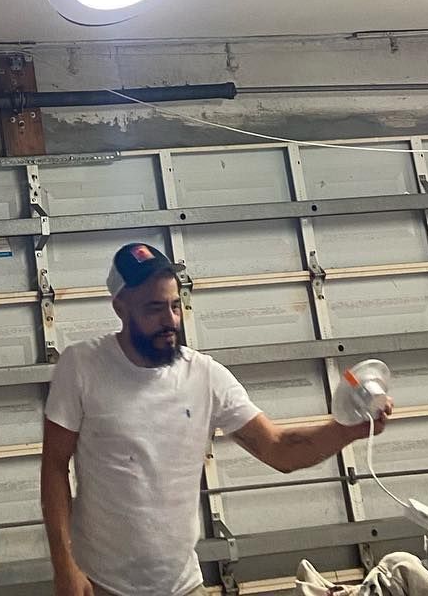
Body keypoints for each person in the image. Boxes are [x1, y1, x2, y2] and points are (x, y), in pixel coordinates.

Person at [41, 242, 393, 596]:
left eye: (175, 306)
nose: (170, 321)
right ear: (121, 307)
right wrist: (64, 565)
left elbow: (281, 450)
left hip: (184, 585)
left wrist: (352, 429)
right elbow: (54, 466)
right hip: (102, 585)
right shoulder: (82, 367)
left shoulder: (205, 376)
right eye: (154, 309)